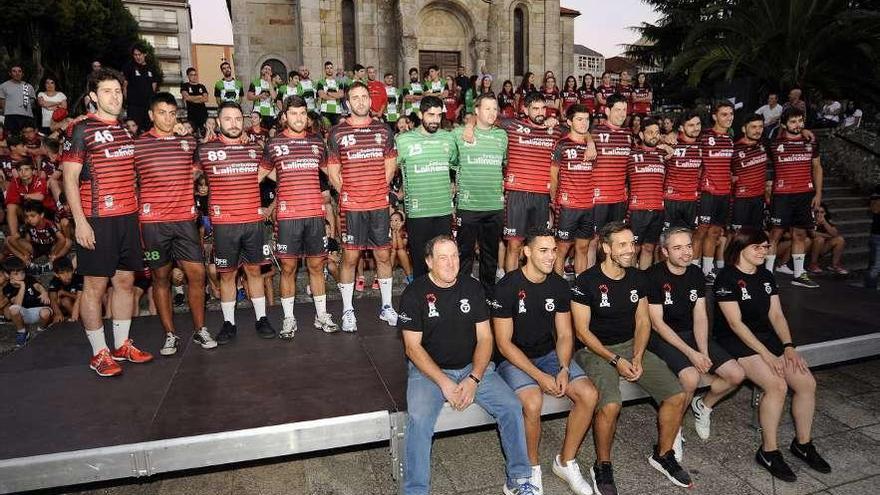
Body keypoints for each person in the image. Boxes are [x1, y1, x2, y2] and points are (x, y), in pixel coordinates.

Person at [398, 235, 537, 495]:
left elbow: (486, 338)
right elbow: (412, 348)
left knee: (511, 406)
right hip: (428, 373)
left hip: (471, 367)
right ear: (429, 262)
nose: (451, 263)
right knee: (418, 418)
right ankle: (415, 491)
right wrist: (444, 382)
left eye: (455, 256)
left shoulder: (472, 288)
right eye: (443, 258)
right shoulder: (414, 293)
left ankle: (519, 479)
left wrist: (474, 378)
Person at [571, 222, 692, 494]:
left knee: (676, 395)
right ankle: (602, 465)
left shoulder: (639, 278)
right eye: (622, 245)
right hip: (595, 351)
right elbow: (581, 332)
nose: (630, 250)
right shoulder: (586, 281)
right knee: (611, 405)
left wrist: (637, 355)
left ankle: (663, 454)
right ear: (606, 248)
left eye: (632, 243)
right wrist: (615, 360)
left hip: (631, 347)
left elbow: (642, 322)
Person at [713, 228, 831, 482]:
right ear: (741, 248)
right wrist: (767, 355)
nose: (763, 251)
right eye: (757, 247)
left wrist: (788, 346)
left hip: (766, 338)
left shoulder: (766, 276)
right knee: (777, 386)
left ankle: (803, 444)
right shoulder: (726, 278)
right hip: (735, 340)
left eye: (766, 247)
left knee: (806, 383)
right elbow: (736, 324)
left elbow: (776, 315)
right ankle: (768, 451)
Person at [492, 228, 599, 495]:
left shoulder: (559, 285)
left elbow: (564, 334)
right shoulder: (507, 287)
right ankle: (531, 469)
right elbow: (504, 344)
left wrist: (563, 367)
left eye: (553, 250)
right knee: (532, 400)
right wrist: (540, 378)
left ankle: (566, 461)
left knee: (588, 394)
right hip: (513, 358)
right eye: (543, 250)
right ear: (526, 252)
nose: (551, 256)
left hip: (549, 354)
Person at [62, 68, 153, 377]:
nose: (114, 97)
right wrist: (80, 222)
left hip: (128, 218)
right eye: (106, 91)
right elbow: (69, 179)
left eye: (118, 91)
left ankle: (122, 344)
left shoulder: (126, 130)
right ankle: (99, 352)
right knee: (95, 287)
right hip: (97, 219)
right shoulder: (81, 130)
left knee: (125, 282)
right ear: (93, 97)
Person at [646, 228, 745, 444]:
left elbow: (700, 316)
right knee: (690, 378)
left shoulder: (696, 273)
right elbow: (657, 324)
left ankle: (703, 406)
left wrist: (703, 351)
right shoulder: (653, 276)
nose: (686, 253)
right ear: (664, 251)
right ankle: (675, 429)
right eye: (677, 248)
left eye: (688, 246)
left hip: (691, 334)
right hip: (662, 338)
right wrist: (692, 354)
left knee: (736, 375)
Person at [135, 92, 215, 355]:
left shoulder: (187, 141)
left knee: (198, 275)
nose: (168, 119)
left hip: (184, 222)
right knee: (161, 277)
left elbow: (199, 165)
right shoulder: (139, 145)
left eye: (172, 113)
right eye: (162, 113)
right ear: (151, 115)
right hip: (154, 224)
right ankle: (170, 334)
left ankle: (200, 330)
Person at [197, 101, 276, 344]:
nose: (234, 124)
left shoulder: (254, 149)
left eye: (238, 119)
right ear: (218, 122)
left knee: (254, 271)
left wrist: (273, 206)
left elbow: (279, 175)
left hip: (252, 222)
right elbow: (184, 173)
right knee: (227, 275)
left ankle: (261, 318)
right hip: (224, 225)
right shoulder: (205, 151)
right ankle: (229, 322)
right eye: (228, 119)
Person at [261, 95, 338, 336]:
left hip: (314, 215)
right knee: (288, 269)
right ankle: (288, 319)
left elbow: (332, 173)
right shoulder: (273, 144)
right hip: (288, 218)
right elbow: (259, 175)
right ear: (285, 116)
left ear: (307, 116)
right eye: (293, 114)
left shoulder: (317, 142)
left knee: (317, 266)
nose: (299, 118)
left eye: (302, 113)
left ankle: (321, 315)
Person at [326, 82, 398, 332]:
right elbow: (334, 174)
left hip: (378, 204)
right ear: (347, 103)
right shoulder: (336, 133)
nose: (359, 101)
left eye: (364, 97)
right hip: (352, 207)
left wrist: (375, 189)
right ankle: (347, 310)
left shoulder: (384, 131)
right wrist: (353, 193)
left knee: (383, 255)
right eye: (354, 98)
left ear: (371, 101)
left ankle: (386, 307)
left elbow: (390, 167)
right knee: (350, 257)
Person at [396, 96, 457, 277]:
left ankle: (443, 298)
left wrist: (454, 184)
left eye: (439, 115)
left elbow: (456, 165)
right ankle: (422, 301)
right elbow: (390, 168)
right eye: (431, 115)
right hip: (418, 212)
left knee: (443, 259)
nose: (435, 120)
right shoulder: (404, 140)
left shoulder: (449, 138)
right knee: (420, 260)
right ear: (420, 114)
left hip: (443, 210)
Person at [452, 94, 507, 288]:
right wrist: (469, 124)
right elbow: (450, 161)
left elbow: (506, 164)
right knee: (464, 254)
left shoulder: (502, 135)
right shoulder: (459, 134)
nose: (492, 113)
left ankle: (488, 295)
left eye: (495, 108)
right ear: (476, 111)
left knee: (490, 255)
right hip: (468, 206)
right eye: (487, 108)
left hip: (494, 207)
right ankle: (464, 294)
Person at [766, 107, 823, 288]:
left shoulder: (811, 141)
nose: (797, 125)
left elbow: (817, 168)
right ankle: (767, 275)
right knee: (775, 234)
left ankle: (798, 274)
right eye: (793, 121)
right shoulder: (773, 143)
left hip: (804, 195)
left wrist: (818, 193)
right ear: (784, 124)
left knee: (800, 234)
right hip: (782, 195)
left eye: (800, 121)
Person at [551, 104, 595, 276]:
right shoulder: (561, 145)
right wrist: (554, 202)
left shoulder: (592, 146)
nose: (584, 123)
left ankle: (580, 287)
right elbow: (553, 176)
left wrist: (590, 141)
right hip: (567, 206)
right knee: (562, 247)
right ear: (569, 121)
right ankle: (558, 285)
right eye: (579, 119)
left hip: (588, 206)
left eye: (586, 119)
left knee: (583, 247)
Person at [693, 102, 735, 283]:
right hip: (707, 192)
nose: (729, 118)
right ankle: (694, 271)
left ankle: (707, 270)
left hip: (724, 193)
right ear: (714, 117)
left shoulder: (730, 139)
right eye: (724, 114)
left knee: (715, 233)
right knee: (700, 232)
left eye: (731, 114)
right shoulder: (704, 137)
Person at [589, 93, 633, 263]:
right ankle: (589, 279)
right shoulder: (595, 132)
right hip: (598, 199)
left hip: (619, 199)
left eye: (624, 110)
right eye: (618, 110)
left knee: (616, 240)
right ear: (607, 110)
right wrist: (590, 141)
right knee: (593, 241)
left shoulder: (628, 134)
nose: (622, 114)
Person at [627, 117, 667, 268]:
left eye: (657, 132)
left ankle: (642, 279)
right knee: (634, 248)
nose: (654, 136)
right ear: (642, 135)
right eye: (650, 132)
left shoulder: (664, 155)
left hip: (658, 209)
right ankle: (631, 279)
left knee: (649, 248)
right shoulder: (631, 155)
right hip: (637, 211)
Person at [663, 111, 703, 231]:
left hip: (692, 200)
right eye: (691, 125)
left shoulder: (703, 144)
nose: (696, 128)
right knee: (665, 238)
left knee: (692, 236)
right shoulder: (671, 144)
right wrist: (664, 141)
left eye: (698, 124)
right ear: (681, 127)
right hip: (671, 200)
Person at [731, 114, 770, 231]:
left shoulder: (765, 144)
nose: (758, 131)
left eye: (760, 127)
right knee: (737, 236)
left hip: (759, 198)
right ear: (744, 129)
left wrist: (804, 131)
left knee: (756, 234)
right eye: (753, 127)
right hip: (740, 199)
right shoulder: (734, 148)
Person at [3, 258, 52, 348]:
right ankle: (22, 332)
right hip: (24, 313)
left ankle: (41, 329)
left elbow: (38, 286)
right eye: (16, 274)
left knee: (45, 313)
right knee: (13, 309)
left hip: (39, 309)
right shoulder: (7, 288)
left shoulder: (29, 278)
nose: (21, 276)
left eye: (22, 273)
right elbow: (17, 305)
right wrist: (22, 286)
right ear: (7, 275)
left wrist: (44, 292)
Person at [7, 200, 70, 270]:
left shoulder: (49, 224)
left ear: (41, 215)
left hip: (51, 247)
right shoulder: (27, 225)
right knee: (7, 240)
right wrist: (24, 253)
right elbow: (12, 240)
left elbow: (62, 239)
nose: (29, 219)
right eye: (27, 216)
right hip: (34, 248)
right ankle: (27, 262)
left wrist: (54, 254)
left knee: (68, 242)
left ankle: (51, 262)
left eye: (32, 216)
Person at [122, 44, 158, 132]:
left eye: (140, 54)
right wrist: (128, 101)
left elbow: (154, 86)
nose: (138, 57)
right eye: (135, 55)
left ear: (144, 54)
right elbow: (125, 86)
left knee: (149, 130)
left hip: (148, 106)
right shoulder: (129, 67)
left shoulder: (151, 68)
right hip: (134, 106)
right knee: (134, 130)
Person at [808, 203, 848, 275]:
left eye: (822, 212)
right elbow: (813, 234)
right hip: (810, 247)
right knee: (819, 239)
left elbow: (835, 234)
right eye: (817, 212)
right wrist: (828, 235)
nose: (819, 214)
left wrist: (825, 223)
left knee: (840, 240)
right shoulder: (810, 220)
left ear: (825, 213)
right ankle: (813, 264)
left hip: (822, 247)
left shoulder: (827, 221)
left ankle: (835, 265)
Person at [0, 64, 37, 135]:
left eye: (19, 71)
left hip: (27, 117)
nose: (17, 73)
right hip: (11, 117)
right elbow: (2, 103)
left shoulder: (28, 86)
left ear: (22, 74)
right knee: (12, 139)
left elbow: (32, 103)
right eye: (14, 71)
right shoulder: (3, 86)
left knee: (27, 138)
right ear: (10, 73)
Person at [48, 256, 83, 323]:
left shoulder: (78, 278)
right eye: (62, 273)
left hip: (81, 305)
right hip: (66, 306)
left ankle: (79, 319)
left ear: (73, 270)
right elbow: (53, 300)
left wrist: (65, 293)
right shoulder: (54, 281)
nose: (66, 275)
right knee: (59, 301)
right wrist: (58, 313)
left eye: (69, 271)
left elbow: (81, 298)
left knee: (65, 300)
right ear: (56, 274)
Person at [317, 61, 346, 125]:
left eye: (331, 68)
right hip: (325, 111)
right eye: (327, 68)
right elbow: (322, 95)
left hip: (337, 111)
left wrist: (329, 93)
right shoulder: (321, 82)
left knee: (337, 130)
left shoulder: (339, 82)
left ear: (333, 69)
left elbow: (341, 95)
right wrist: (336, 96)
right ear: (325, 70)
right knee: (326, 131)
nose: (329, 70)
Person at [181, 67, 209, 135]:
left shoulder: (201, 86)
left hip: (203, 114)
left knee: (204, 133)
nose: (194, 77)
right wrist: (199, 97)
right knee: (192, 133)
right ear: (188, 76)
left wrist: (192, 99)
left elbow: (205, 99)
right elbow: (186, 97)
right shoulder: (185, 86)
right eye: (192, 75)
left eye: (195, 75)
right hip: (192, 114)